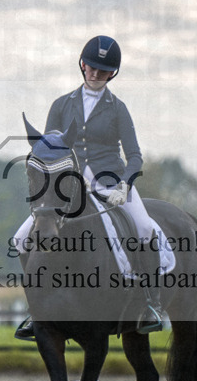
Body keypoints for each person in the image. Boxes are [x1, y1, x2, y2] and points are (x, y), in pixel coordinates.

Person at [14, 35, 174, 341]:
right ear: (82, 65)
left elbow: (135, 156)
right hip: (68, 187)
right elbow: (48, 151)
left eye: (104, 71)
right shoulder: (61, 105)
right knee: (21, 239)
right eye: (92, 67)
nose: (96, 74)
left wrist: (125, 185)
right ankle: (37, 309)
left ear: (112, 73)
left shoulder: (118, 109)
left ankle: (151, 305)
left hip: (112, 182)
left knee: (144, 228)